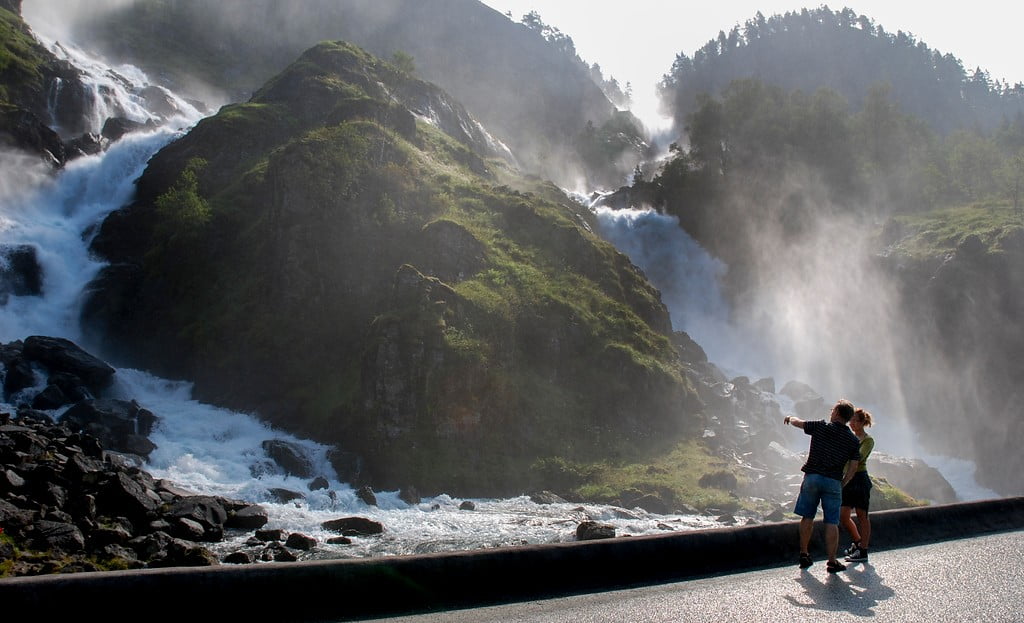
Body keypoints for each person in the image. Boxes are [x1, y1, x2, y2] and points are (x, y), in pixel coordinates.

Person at [783, 399, 861, 573]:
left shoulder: (821, 426)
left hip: (812, 477)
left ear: (837, 413)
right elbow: (854, 466)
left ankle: (804, 554)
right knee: (832, 522)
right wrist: (843, 482)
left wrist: (790, 417)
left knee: (807, 516)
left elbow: (799, 423)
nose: (831, 412)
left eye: (833, 410)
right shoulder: (853, 440)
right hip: (833, 481)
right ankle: (832, 561)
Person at [840, 407, 875, 563]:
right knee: (843, 515)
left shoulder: (868, 440)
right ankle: (857, 541)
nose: (852, 423)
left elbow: (859, 458)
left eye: (855, 421)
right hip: (847, 478)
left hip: (860, 478)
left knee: (862, 516)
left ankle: (863, 550)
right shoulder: (849, 437)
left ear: (862, 423)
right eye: (851, 421)